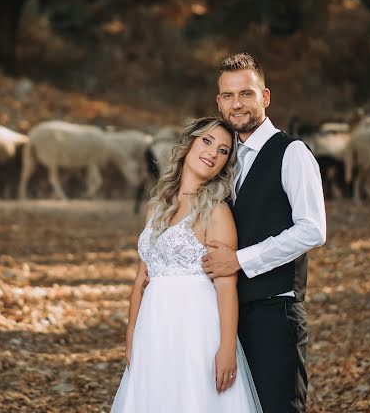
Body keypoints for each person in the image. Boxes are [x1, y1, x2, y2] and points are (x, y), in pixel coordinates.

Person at [111, 117, 263, 413]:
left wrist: (227, 349)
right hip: (153, 328)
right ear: (188, 144)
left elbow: (226, 288)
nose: (212, 153)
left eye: (223, 151)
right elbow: (142, 277)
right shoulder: (156, 207)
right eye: (207, 141)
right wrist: (132, 334)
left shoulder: (216, 213)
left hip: (197, 331)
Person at [202, 53, 327, 413]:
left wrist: (239, 261)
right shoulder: (223, 158)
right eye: (228, 95)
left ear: (265, 97)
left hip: (274, 313)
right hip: (224, 315)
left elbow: (313, 229)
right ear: (218, 101)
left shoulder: (292, 153)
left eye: (246, 93)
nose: (236, 104)